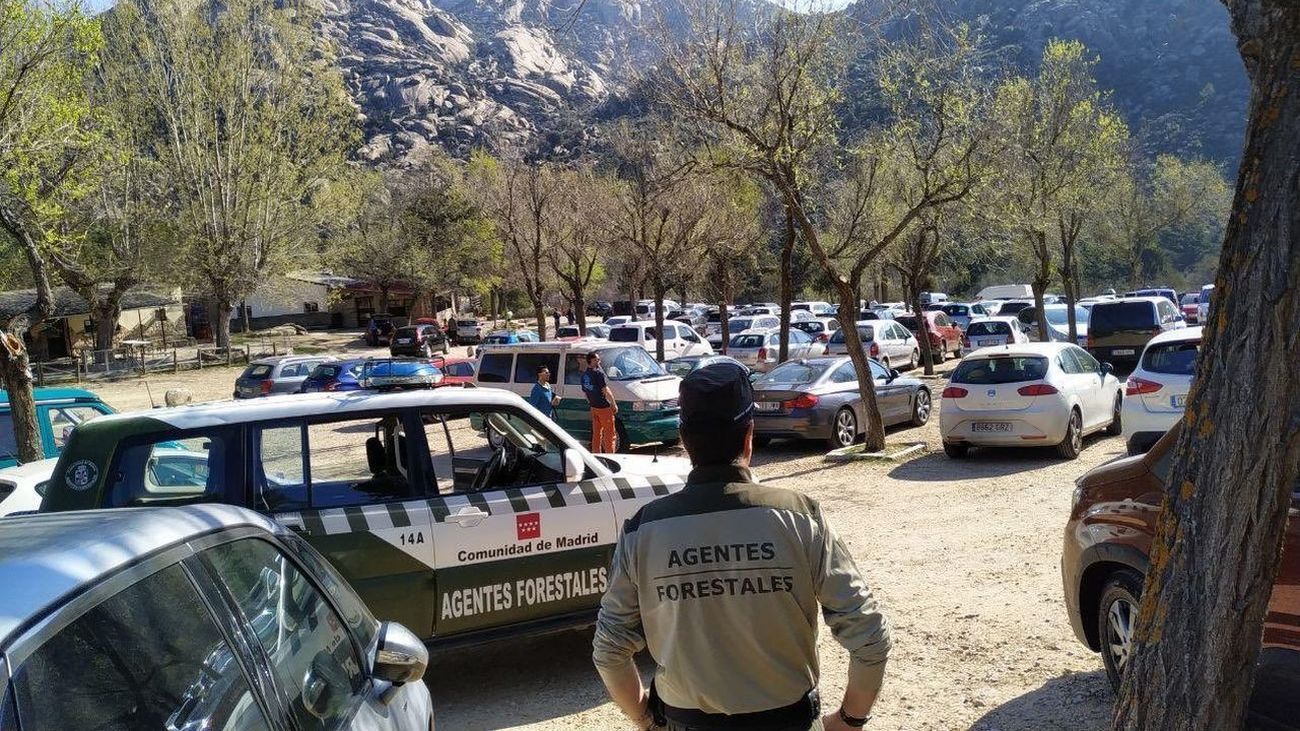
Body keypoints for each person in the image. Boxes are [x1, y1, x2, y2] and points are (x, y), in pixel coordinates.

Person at [592, 361, 890, 731]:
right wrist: (850, 719)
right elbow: (871, 638)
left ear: (684, 439)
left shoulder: (643, 530)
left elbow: (608, 651)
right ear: (750, 435)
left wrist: (644, 719)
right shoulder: (800, 517)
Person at [581, 351, 617, 453]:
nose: (599, 361)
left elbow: (585, 392)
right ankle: (611, 456)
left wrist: (591, 403)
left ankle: (596, 454)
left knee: (596, 434)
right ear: (591, 360)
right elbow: (605, 390)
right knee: (609, 434)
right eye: (597, 359)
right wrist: (613, 404)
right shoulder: (598, 374)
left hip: (593, 407)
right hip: (603, 408)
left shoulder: (584, 375)